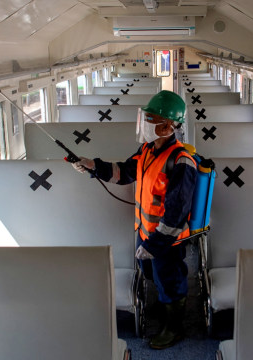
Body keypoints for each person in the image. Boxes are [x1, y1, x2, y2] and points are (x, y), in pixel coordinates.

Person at [72, 90, 197, 349]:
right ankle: (163, 305)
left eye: (151, 119)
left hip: (166, 240)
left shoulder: (181, 161)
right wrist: (93, 165)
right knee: (152, 274)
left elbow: (176, 213)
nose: (146, 123)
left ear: (167, 126)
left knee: (170, 280)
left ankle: (174, 328)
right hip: (145, 231)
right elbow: (124, 173)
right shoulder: (147, 150)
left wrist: (156, 244)